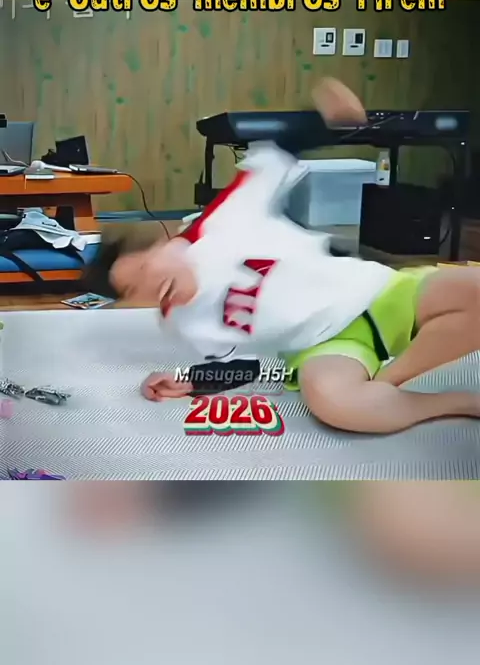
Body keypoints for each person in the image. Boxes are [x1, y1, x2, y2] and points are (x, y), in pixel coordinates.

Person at [86, 79, 480, 434]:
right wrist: (188, 380)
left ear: (160, 245)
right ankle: (455, 403)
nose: (150, 284)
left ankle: (390, 381)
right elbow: (245, 365)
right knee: (335, 403)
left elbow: (277, 153)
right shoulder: (185, 323)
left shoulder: (220, 221)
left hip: (380, 292)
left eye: (143, 269)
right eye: (134, 290)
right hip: (324, 348)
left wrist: (328, 119)